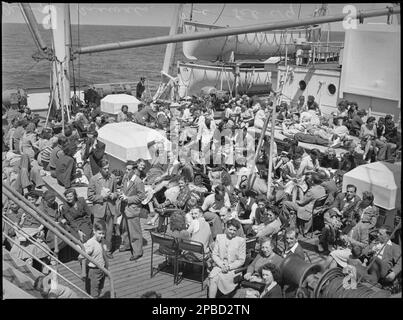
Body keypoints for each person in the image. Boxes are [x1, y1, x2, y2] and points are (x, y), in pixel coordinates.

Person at [87, 159, 118, 259]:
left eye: (108, 168)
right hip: (99, 209)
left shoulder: (112, 177)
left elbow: (116, 192)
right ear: (100, 168)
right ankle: (96, 250)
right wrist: (101, 197)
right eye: (105, 168)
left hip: (110, 208)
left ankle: (107, 250)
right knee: (97, 230)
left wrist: (113, 195)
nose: (107, 170)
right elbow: (90, 196)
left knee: (109, 231)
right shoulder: (94, 179)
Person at [208, 219, 246, 298]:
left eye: (234, 230)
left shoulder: (241, 241)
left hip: (233, 269)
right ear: (226, 228)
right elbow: (214, 254)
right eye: (230, 229)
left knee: (220, 277)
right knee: (213, 278)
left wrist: (229, 267)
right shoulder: (219, 237)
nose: (232, 232)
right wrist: (222, 265)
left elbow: (241, 260)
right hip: (220, 265)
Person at [118, 160, 146, 261]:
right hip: (125, 208)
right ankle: (126, 245)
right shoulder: (125, 178)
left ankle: (137, 251)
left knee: (135, 232)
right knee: (125, 229)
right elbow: (122, 187)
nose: (126, 171)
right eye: (126, 169)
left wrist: (128, 199)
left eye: (129, 169)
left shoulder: (138, 182)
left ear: (134, 170)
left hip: (133, 209)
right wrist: (120, 192)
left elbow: (141, 197)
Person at [80, 220, 109, 298]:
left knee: (100, 287)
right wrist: (83, 272)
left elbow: (104, 254)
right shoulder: (91, 243)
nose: (102, 236)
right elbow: (82, 256)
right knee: (94, 291)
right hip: (94, 271)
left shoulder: (102, 241)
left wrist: (106, 267)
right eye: (99, 233)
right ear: (94, 231)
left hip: (102, 268)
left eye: (103, 233)